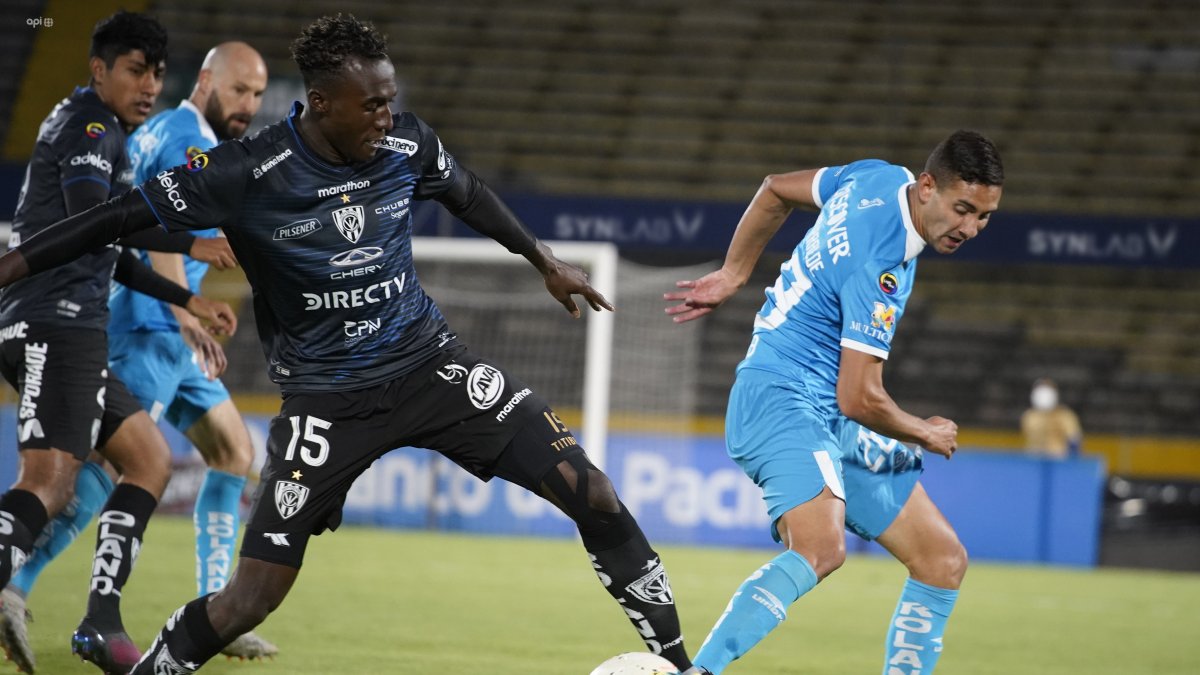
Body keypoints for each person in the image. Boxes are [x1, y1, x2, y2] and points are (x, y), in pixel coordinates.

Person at [0, 14, 694, 673]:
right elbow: (110, 218)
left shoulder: (403, 143)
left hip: (430, 367)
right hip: (325, 403)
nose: (387, 118)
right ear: (322, 102)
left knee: (594, 491)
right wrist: (9, 265)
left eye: (390, 101)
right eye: (373, 105)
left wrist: (542, 259)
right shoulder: (244, 172)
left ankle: (684, 662)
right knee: (250, 599)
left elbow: (468, 193)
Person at [663, 130, 1004, 674]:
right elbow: (860, 397)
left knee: (941, 560)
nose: (970, 228)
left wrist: (734, 272)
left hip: (822, 410)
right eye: (962, 209)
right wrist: (925, 432)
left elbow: (775, 190)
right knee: (821, 549)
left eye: (984, 216)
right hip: (782, 398)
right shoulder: (883, 265)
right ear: (927, 187)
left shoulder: (878, 176)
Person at [0, 41, 279, 666]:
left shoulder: (160, 129)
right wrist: (184, 309)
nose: (249, 105)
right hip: (150, 330)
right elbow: (139, 218)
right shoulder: (181, 138)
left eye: (258, 94)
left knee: (233, 452)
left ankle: (216, 608)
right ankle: (19, 586)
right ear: (207, 80)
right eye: (239, 90)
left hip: (171, 332)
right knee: (101, 471)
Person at [1021, 378, 1082, 458]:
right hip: (1034, 458)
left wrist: (1072, 460)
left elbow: (1074, 439)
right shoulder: (1029, 416)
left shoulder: (1065, 415)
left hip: (1058, 459)